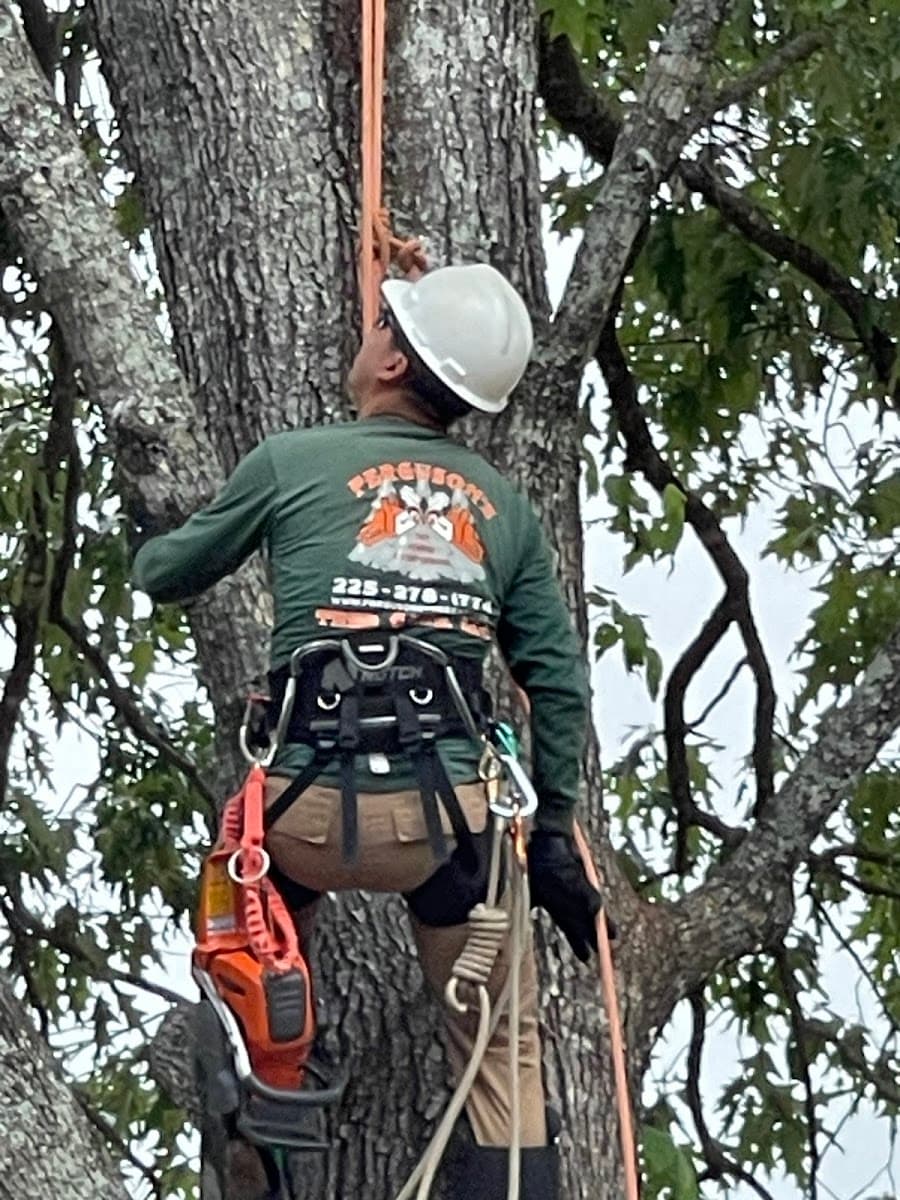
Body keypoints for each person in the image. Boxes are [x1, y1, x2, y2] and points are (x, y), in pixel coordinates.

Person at [132, 260, 603, 1198]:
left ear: (393, 359)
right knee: (504, 1049)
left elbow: (167, 573)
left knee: (250, 966)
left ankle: (263, 1086)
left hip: (297, 825)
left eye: (383, 322)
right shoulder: (502, 511)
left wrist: (151, 528)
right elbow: (556, 681)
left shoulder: (290, 463)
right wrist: (553, 834)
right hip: (437, 832)